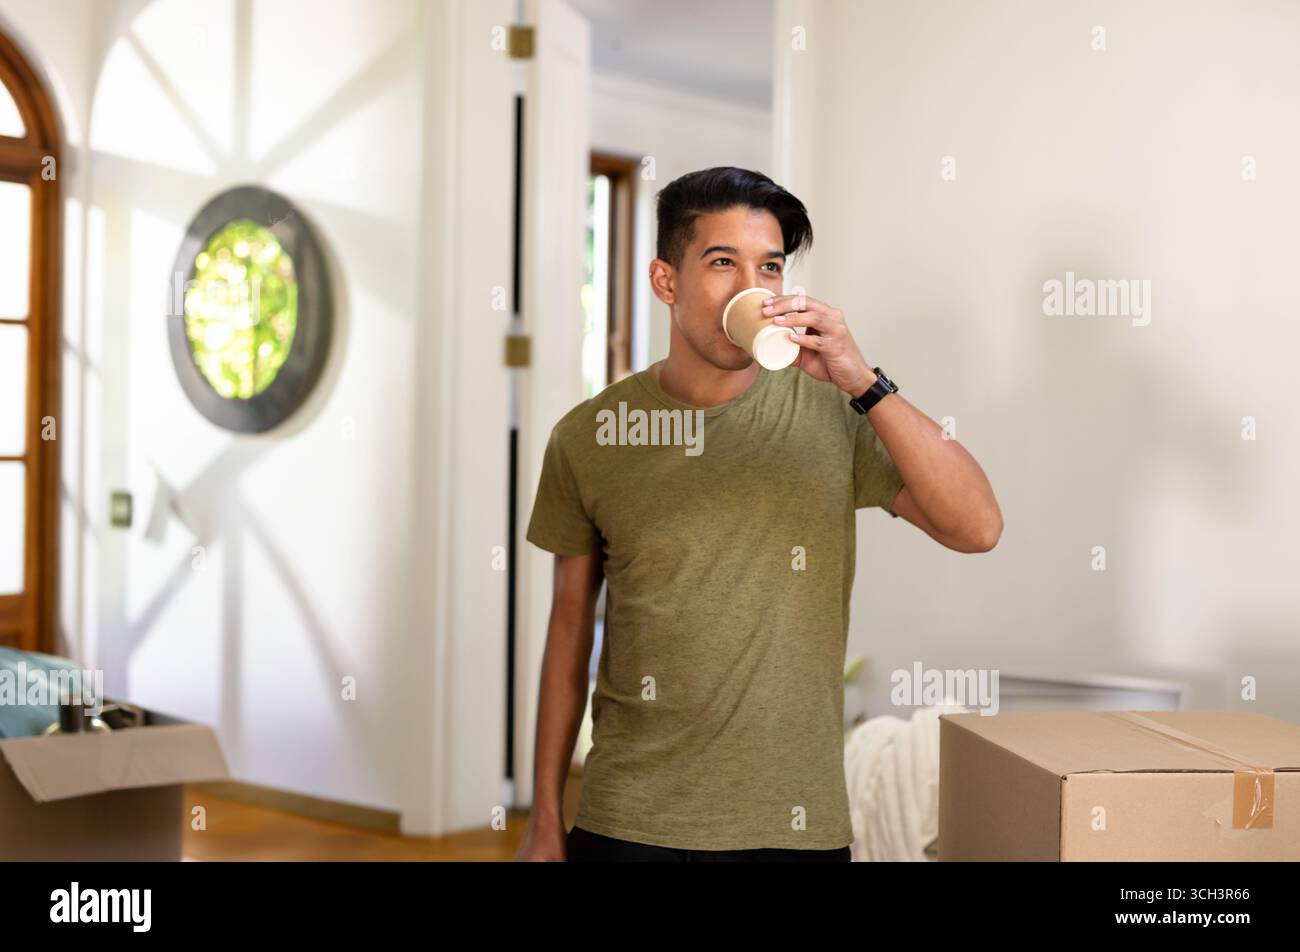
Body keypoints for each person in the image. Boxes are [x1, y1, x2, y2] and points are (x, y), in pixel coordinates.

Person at [513, 167, 1002, 862]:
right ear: (665, 282)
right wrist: (541, 823)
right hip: (631, 823)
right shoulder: (589, 437)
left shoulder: (838, 412)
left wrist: (863, 381)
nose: (753, 287)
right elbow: (567, 636)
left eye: (769, 268)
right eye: (723, 263)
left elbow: (977, 527)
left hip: (793, 828)